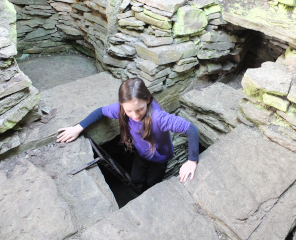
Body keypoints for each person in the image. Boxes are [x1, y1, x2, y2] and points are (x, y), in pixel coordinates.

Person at [57, 77, 199, 192]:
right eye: (129, 111)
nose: (135, 115)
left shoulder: (158, 118)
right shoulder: (120, 109)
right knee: (136, 179)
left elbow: (191, 129)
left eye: (140, 109)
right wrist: (78, 127)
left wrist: (192, 160)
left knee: (152, 183)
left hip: (160, 157)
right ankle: (139, 188)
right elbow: (100, 111)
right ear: (122, 105)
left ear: (148, 100)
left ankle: (148, 193)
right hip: (141, 153)